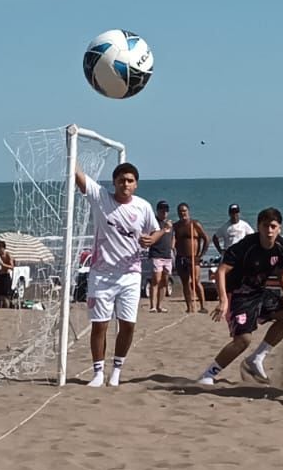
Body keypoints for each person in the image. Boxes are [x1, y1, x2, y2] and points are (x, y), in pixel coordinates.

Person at [73, 162, 168, 387]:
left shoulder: (143, 207)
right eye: (121, 180)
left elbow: (155, 231)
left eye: (130, 180)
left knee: (127, 325)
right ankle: (97, 373)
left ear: (135, 184)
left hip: (130, 274)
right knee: (100, 325)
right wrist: (71, 149)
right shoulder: (101, 198)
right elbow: (79, 177)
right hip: (101, 274)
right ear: (114, 182)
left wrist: (151, 239)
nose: (125, 184)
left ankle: (116, 370)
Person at [197, 208, 283, 387]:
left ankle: (257, 358)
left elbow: (281, 272)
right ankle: (209, 374)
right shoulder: (246, 246)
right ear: (258, 227)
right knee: (243, 339)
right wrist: (223, 300)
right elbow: (221, 271)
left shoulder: (282, 247)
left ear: (279, 228)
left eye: (273, 226)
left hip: (259, 292)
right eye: (265, 226)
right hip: (237, 294)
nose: (269, 230)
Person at [174, 202, 211, 313]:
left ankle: (202, 306)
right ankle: (189, 307)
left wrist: (201, 254)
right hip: (181, 257)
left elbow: (206, 239)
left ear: (188, 211)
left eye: (184, 211)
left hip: (193, 257)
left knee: (195, 281)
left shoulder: (194, 224)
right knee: (185, 282)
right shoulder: (176, 226)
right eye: (180, 211)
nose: (182, 213)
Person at [145, 200, 175, 313]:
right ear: (157, 210)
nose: (164, 212)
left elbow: (173, 236)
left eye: (166, 210)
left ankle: (160, 305)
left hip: (167, 255)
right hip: (156, 254)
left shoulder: (170, 224)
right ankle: (152, 305)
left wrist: (172, 247)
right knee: (156, 279)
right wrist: (164, 229)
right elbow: (150, 237)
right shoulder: (154, 223)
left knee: (164, 281)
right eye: (162, 210)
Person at [0, 239, 16, 308]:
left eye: (0, 249)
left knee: (5, 296)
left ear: (4, 248)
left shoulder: (7, 255)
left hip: (6, 276)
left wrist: (3, 265)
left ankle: (6, 309)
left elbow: (12, 267)